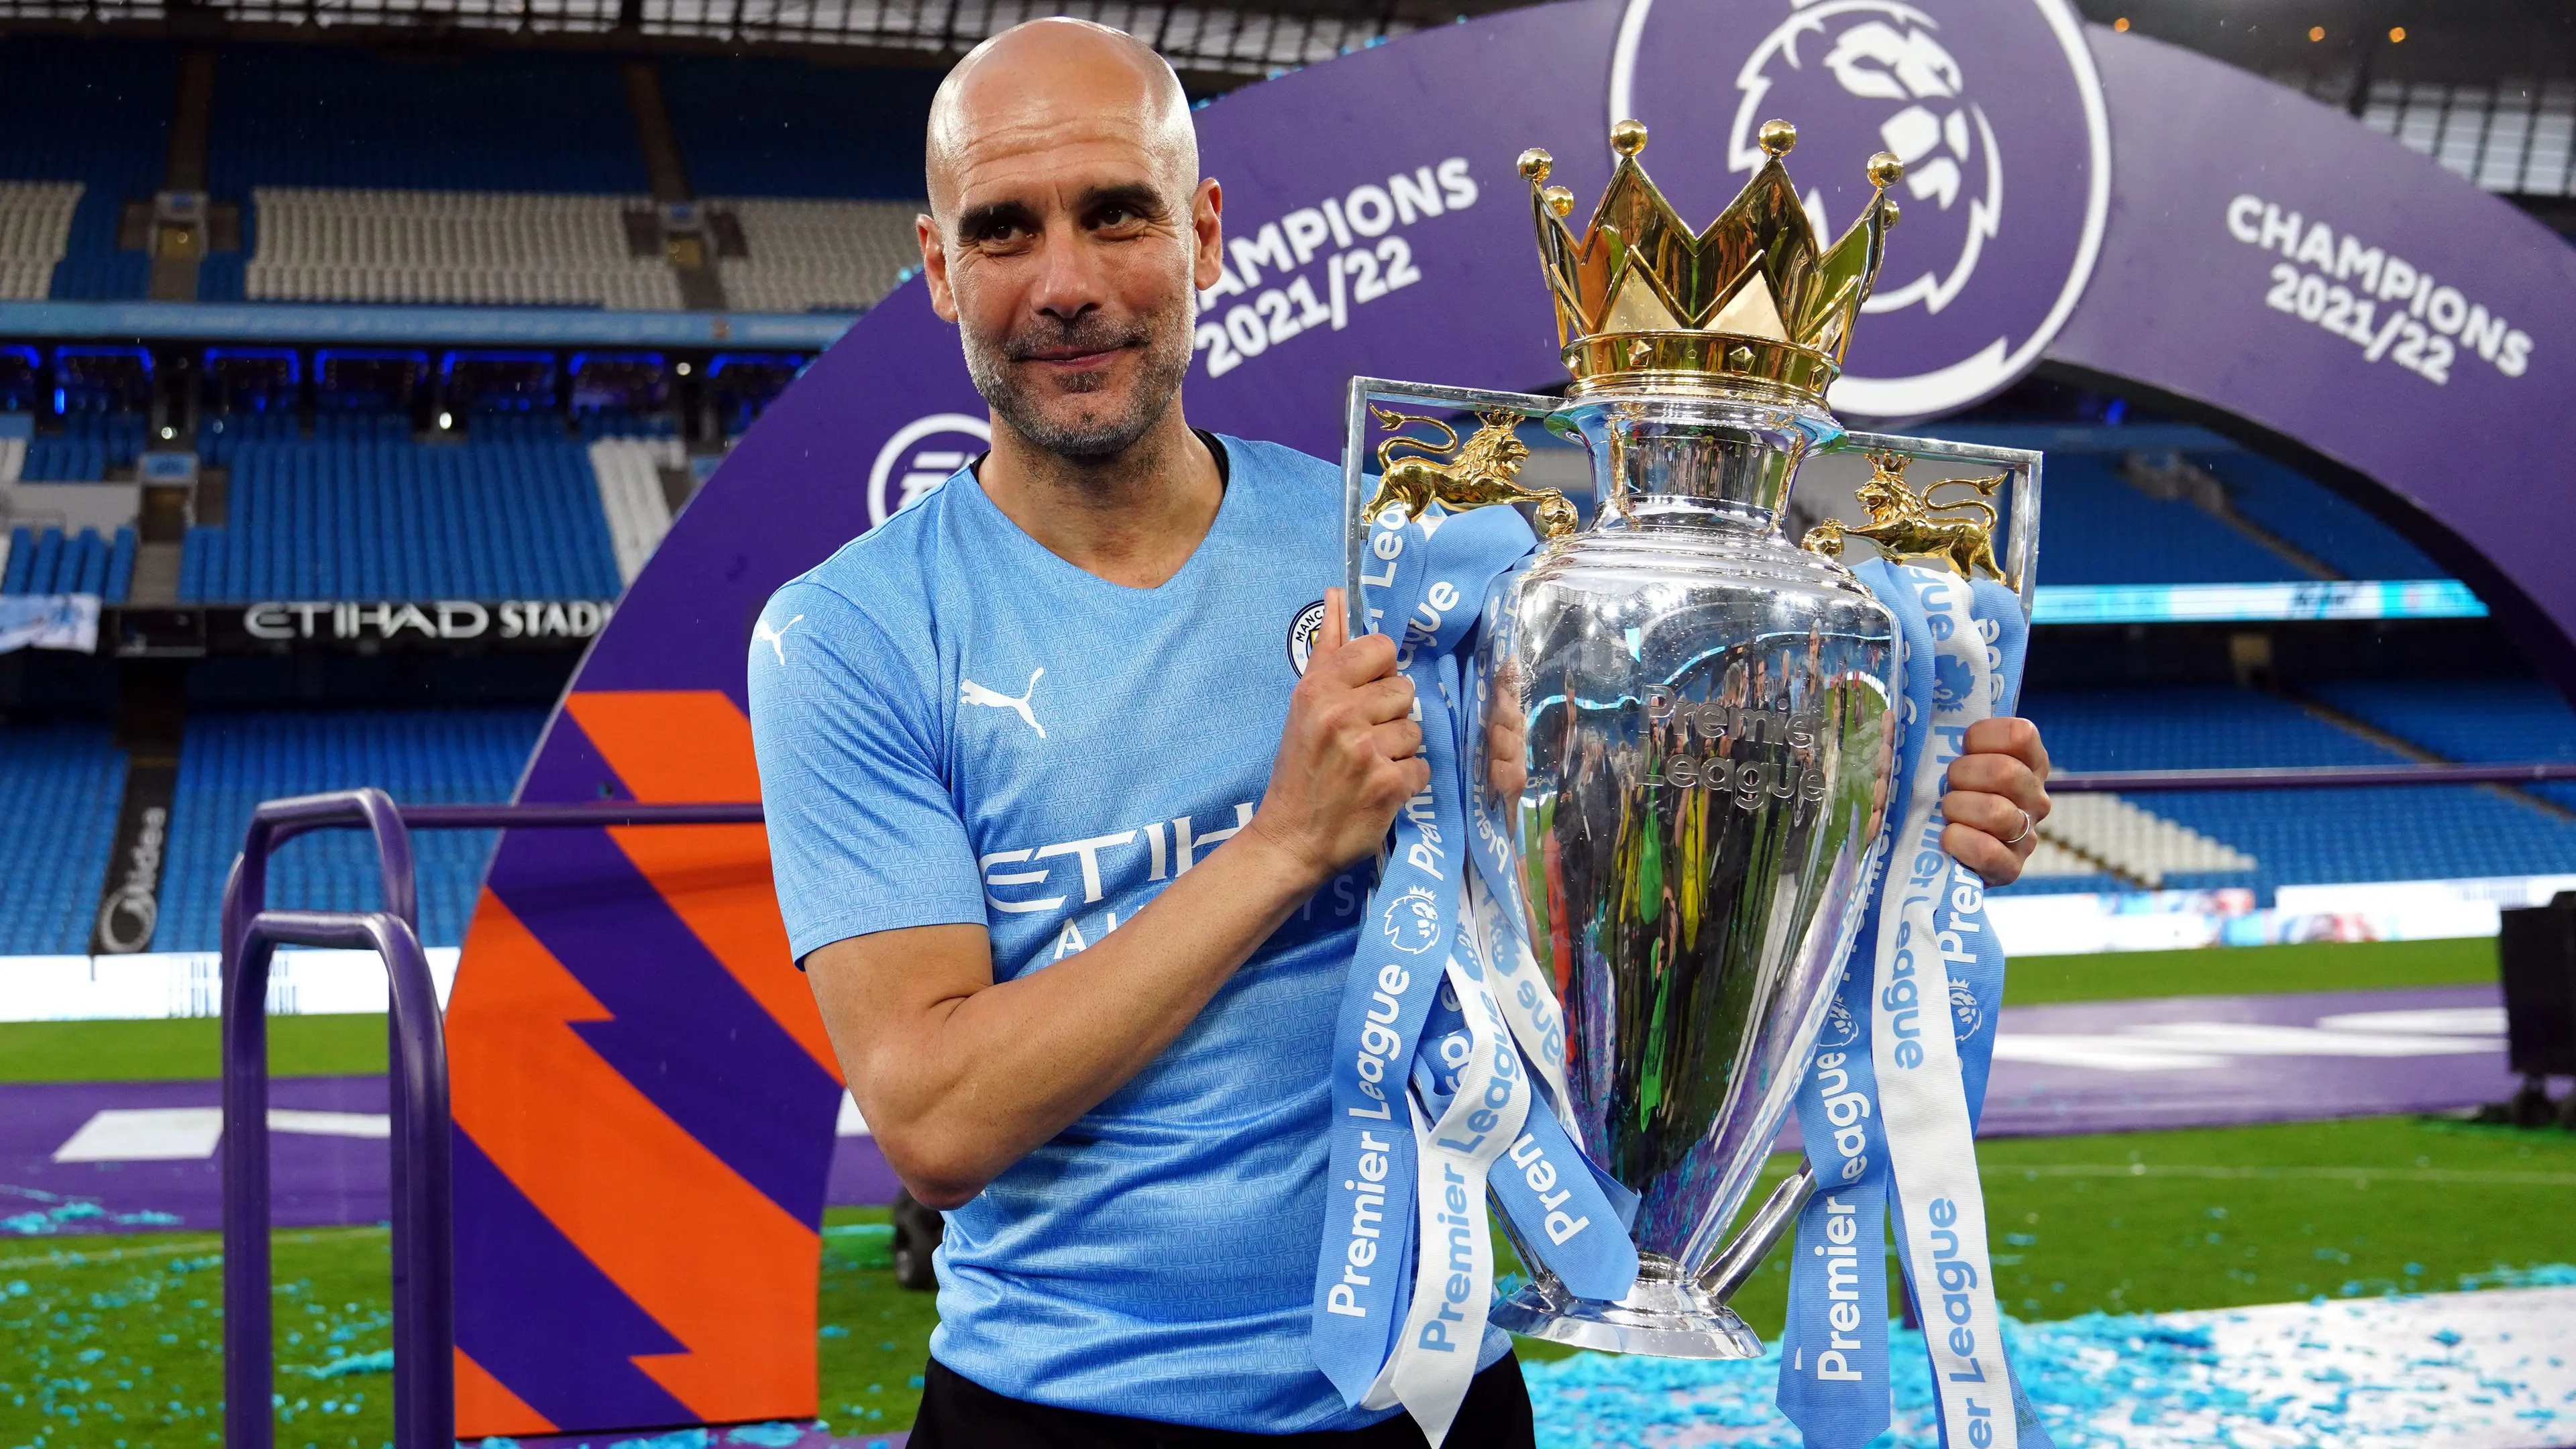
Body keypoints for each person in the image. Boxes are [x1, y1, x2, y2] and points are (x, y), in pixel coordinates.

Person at [746, 18, 2054, 1448]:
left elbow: (1623, 904)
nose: (1065, 283)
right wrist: (1284, 847)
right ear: (939, 267)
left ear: (1204, 234)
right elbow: (935, 1123)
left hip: (1434, 1394)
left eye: (1117, 214)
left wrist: (1876, 805)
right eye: (1003, 230)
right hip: (1057, 1413)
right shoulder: (852, 634)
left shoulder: (1416, 558)